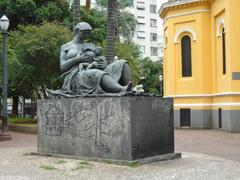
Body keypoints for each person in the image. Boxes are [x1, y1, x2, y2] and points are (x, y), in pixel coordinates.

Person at [47, 22, 132, 98]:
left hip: (95, 70)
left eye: (88, 33)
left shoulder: (91, 46)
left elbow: (99, 59)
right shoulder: (66, 47)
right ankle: (122, 89)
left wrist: (104, 64)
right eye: (84, 32)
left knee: (122, 63)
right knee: (96, 73)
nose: (86, 35)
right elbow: (62, 67)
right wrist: (77, 59)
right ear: (77, 31)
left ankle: (130, 89)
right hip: (77, 75)